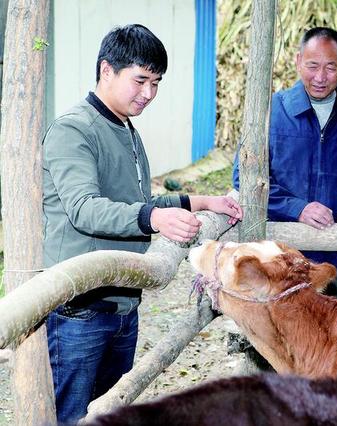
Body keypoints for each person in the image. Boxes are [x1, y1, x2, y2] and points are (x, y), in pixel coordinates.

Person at [42, 24, 243, 424]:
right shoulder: (74, 129)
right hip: (81, 310)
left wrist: (201, 201)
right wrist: (153, 217)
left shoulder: (125, 129)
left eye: (156, 83)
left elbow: (138, 203)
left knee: (111, 412)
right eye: (140, 80)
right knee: (70, 418)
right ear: (106, 70)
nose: (148, 93)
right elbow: (85, 208)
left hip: (121, 305)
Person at [233, 27, 337, 296]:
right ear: (297, 61)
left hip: (330, 258)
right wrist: (298, 208)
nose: (320, 77)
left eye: (330, 67)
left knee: (323, 335)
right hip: (276, 255)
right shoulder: (269, 112)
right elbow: (243, 179)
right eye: (312, 65)